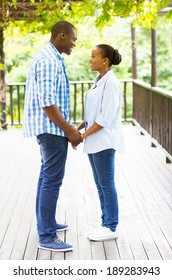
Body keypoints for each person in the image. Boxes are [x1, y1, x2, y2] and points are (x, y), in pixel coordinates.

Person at [23, 21, 82, 252]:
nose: (74, 44)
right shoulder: (48, 60)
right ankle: (47, 235)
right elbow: (47, 103)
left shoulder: (51, 57)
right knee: (51, 180)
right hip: (52, 131)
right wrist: (69, 130)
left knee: (46, 177)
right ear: (62, 34)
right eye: (73, 39)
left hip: (51, 130)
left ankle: (46, 223)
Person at [76, 44, 125, 241]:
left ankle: (111, 227)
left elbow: (105, 119)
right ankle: (106, 223)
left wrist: (82, 136)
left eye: (93, 56)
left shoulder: (111, 83)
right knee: (100, 184)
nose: (90, 59)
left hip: (104, 143)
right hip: (95, 142)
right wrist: (78, 129)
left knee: (106, 184)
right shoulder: (100, 80)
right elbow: (92, 115)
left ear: (104, 61)